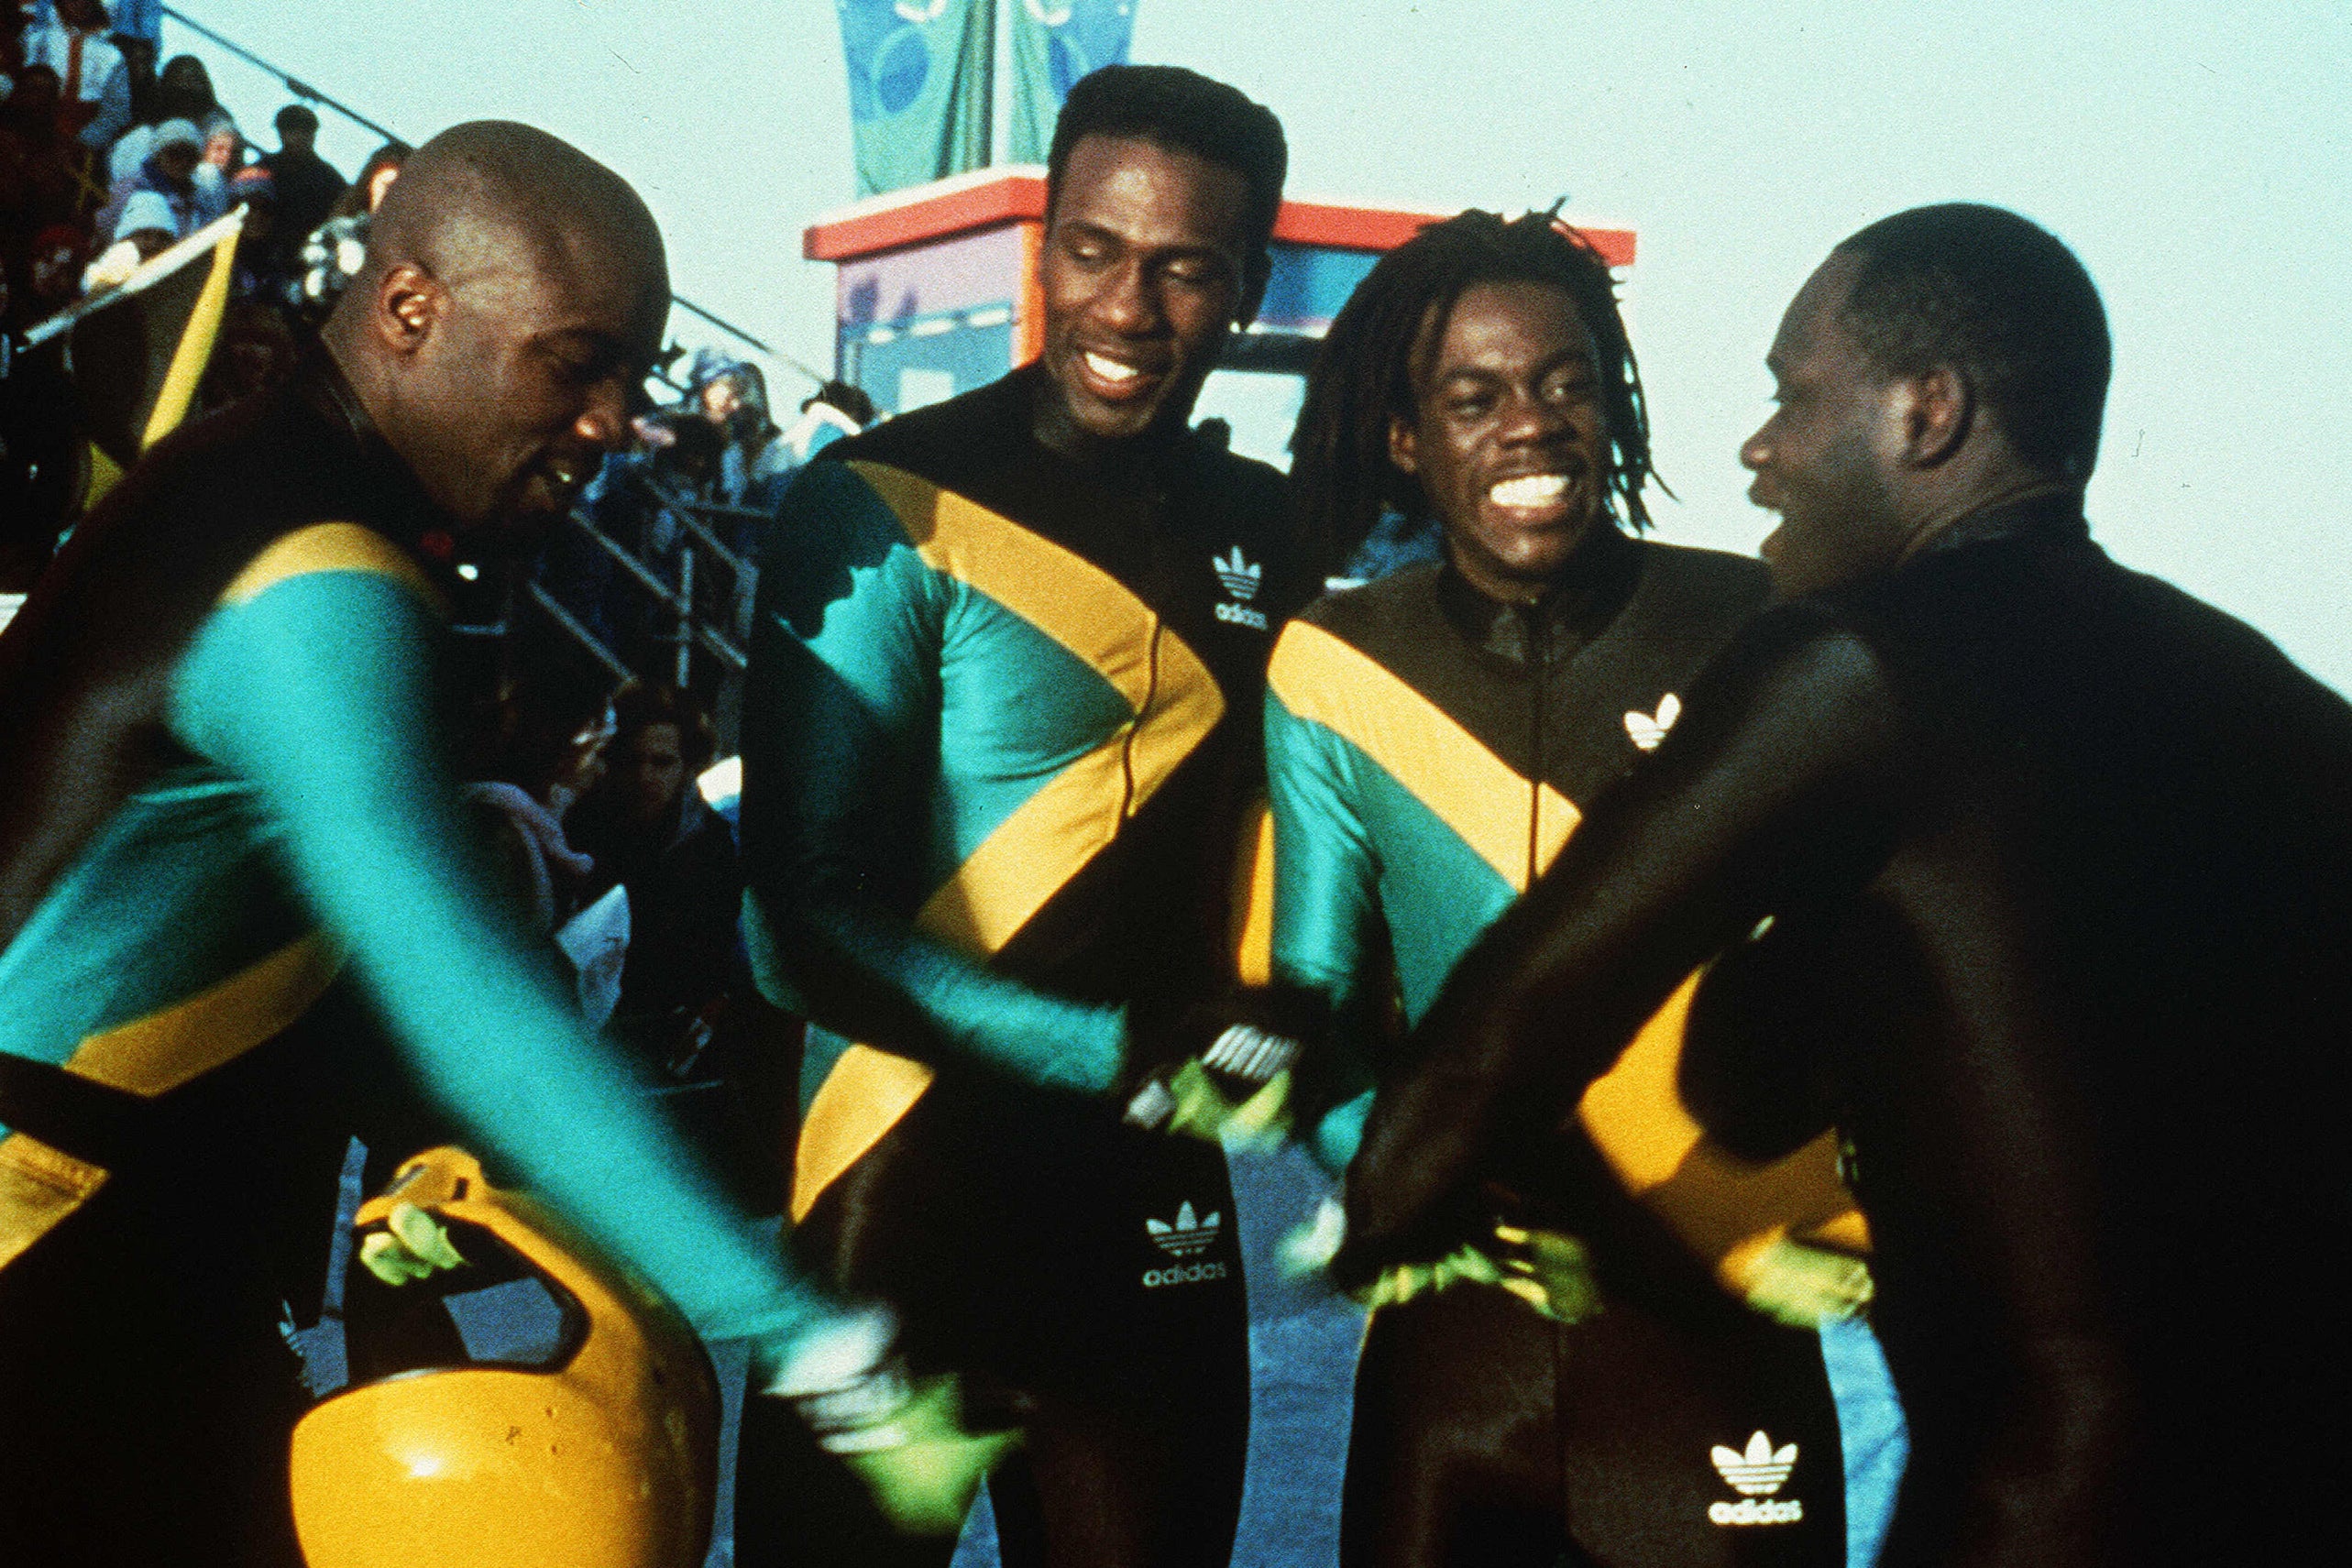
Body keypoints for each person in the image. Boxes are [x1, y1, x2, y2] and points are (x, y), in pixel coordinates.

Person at [0, 119, 971, 1567]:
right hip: (51, 1265)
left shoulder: (276, 495)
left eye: (634, 374)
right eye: (576, 364)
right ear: (410, 311)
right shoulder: (311, 575)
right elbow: (467, 1004)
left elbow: (279, 942)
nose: (614, 421)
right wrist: (802, 1330)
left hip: (139, 1262)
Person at [1334, 203, 2352, 1567]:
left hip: (2033, 1505)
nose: (1758, 450)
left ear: (1926, 413)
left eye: (1790, 397)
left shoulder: (1846, 668)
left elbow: (1500, 1040)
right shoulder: (2283, 706)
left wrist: (1392, 1204)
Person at [737, 61, 1305, 1568]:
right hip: (892, 1201)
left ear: (1245, 288)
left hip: (1150, 1229)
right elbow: (796, 925)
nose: (1127, 308)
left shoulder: (1270, 541)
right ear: (1043, 245)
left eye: (1185, 268)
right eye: (1094, 250)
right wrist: (1111, 1049)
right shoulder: (883, 502)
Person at [1269, 207, 1892, 1568]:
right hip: (1454, 1364)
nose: (1531, 425)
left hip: (1715, 1355)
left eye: (1565, 383)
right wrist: (1418, 1170)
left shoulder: (1755, 623)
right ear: (1403, 437)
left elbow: (1872, 968)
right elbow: (1315, 1017)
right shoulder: (1332, 663)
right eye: (1473, 396)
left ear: (1612, 401)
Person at [16, 0, 127, 155]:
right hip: (31, 129)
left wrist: (84, 142)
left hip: (84, 141)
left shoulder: (112, 55)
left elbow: (116, 110)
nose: (78, 4)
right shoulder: (34, 39)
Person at [261, 103, 346, 269]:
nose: (297, 136)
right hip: (265, 253)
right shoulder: (262, 170)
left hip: (310, 258)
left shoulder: (330, 179)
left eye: (304, 131)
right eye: (290, 130)